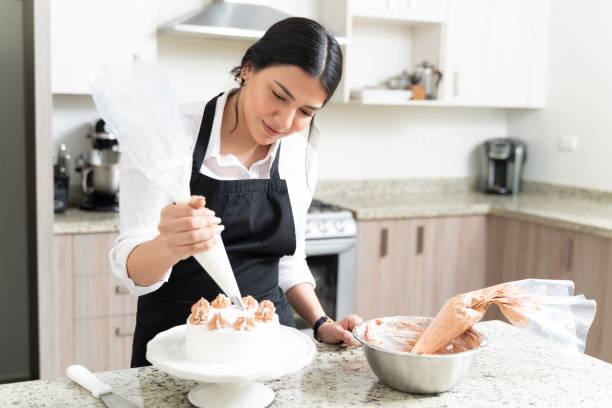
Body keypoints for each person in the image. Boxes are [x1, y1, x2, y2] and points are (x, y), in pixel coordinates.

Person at [109, 17, 362, 368]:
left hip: (268, 345)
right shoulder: (170, 136)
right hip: (178, 347)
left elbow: (289, 261)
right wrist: (169, 245)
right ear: (248, 68)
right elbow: (133, 270)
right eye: (278, 95)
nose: (285, 122)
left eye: (306, 112)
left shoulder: (299, 157)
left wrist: (321, 323)